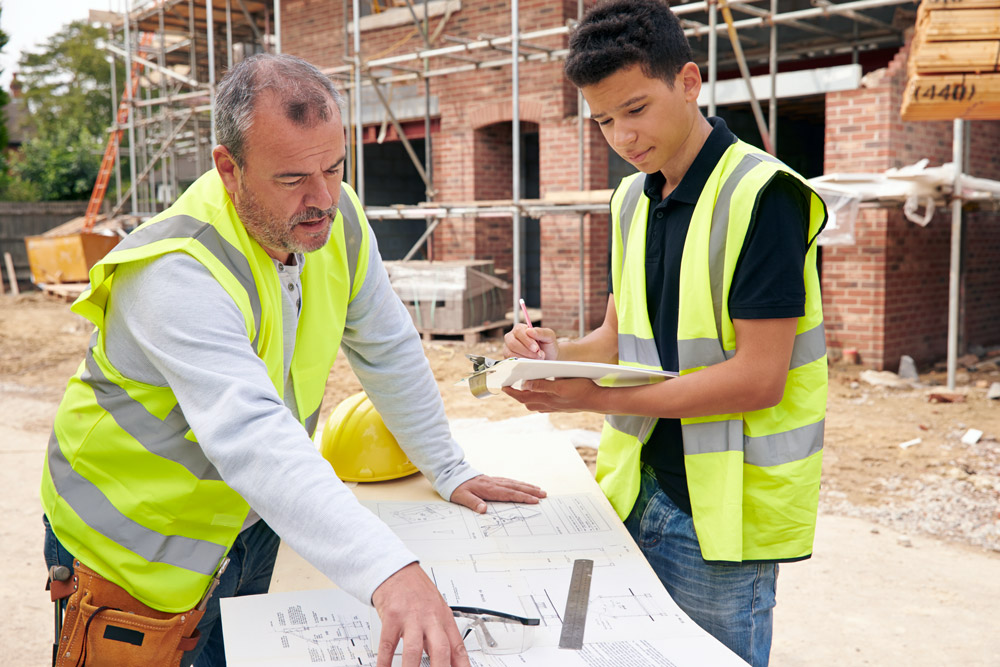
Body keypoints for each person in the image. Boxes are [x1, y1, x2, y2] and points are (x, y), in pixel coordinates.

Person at [41, 53, 545, 667]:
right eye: (292, 179)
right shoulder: (174, 271)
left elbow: (388, 347)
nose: (323, 199)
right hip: (132, 553)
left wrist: (447, 466)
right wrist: (390, 572)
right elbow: (252, 434)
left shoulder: (339, 219)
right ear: (229, 169)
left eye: (335, 168)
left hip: (252, 524)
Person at [502, 1, 828, 665]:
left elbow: (758, 378)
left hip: (720, 521)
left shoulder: (765, 196)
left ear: (688, 81)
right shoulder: (630, 200)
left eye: (636, 108)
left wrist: (591, 399)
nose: (622, 135)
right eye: (603, 120)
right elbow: (620, 339)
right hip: (632, 491)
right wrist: (556, 357)